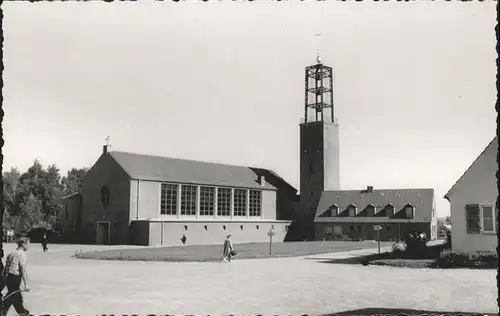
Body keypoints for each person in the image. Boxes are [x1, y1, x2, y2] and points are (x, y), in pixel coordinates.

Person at [2, 239, 30, 316]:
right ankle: (3, 311)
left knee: (14, 295)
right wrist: (26, 283)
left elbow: (6, 267)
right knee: (12, 295)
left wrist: (5, 278)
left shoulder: (12, 253)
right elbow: (22, 269)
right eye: (27, 244)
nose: (28, 246)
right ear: (23, 244)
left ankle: (21, 311)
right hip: (15, 277)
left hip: (9, 277)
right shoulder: (22, 255)